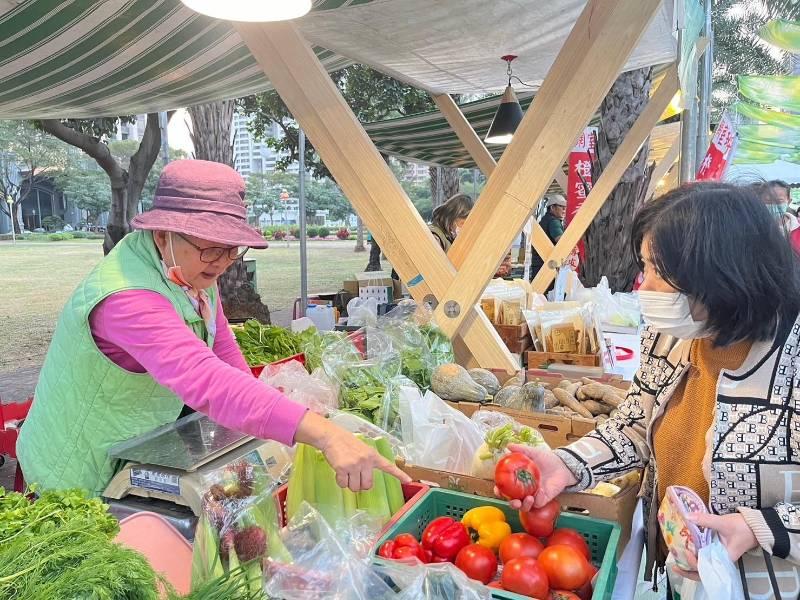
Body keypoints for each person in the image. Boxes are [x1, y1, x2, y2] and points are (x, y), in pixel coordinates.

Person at [17, 160, 409, 497]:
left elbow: (224, 356)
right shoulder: (126, 297)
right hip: (74, 465)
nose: (222, 262)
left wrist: (285, 416)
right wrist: (324, 434)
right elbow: (204, 380)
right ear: (163, 234)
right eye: (210, 249)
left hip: (130, 447)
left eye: (231, 249)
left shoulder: (190, 273)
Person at [506, 182, 800, 599]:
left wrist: (759, 528)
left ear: (722, 274)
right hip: (679, 573)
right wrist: (567, 465)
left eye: (659, 272)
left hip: (766, 585)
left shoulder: (792, 359)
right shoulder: (670, 336)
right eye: (645, 267)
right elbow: (632, 424)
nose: (642, 287)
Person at [529, 194, 567, 284]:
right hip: (548, 267)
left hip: (539, 265)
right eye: (561, 207)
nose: (564, 210)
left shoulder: (544, 220)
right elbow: (561, 241)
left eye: (565, 207)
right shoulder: (554, 222)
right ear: (552, 208)